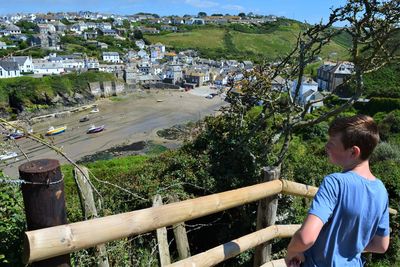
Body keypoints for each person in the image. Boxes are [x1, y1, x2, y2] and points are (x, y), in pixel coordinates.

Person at [285, 114, 390, 267]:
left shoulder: (335, 182)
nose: (326, 146)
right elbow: (381, 245)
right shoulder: (381, 191)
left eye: (332, 143)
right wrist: (347, 246)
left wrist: (292, 251)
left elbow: (305, 238)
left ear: (354, 152)